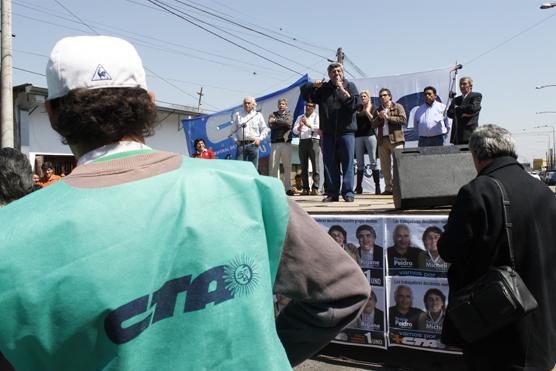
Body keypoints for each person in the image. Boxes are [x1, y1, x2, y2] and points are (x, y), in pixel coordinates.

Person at [0, 35, 370, 370]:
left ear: (52, 113)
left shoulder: (11, 234)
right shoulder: (246, 190)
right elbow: (343, 289)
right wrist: (265, 354)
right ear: (149, 102)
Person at [438, 124, 556, 370]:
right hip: (541, 325)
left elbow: (448, 250)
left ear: (477, 156)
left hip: (496, 328)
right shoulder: (543, 191)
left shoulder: (477, 191)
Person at [300, 62, 361, 203]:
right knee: (329, 164)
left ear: (343, 73)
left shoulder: (350, 86)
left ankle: (348, 193)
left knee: (348, 164)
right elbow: (305, 93)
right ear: (329, 74)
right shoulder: (324, 89)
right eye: (333, 72)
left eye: (339, 71)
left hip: (346, 133)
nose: (336, 74)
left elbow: (355, 105)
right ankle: (332, 193)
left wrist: (342, 90)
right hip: (328, 134)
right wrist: (312, 86)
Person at [371, 88, 407, 195]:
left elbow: (403, 120)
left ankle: (399, 187)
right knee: (385, 166)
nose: (383, 97)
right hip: (383, 140)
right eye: (381, 96)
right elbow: (373, 125)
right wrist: (380, 118)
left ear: (390, 96)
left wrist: (388, 117)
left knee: (398, 165)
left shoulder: (398, 106)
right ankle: (388, 188)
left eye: (385, 95)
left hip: (396, 139)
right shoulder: (378, 109)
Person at [232, 96, 269, 169]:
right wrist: (236, 140)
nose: (246, 105)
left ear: (253, 104)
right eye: (245, 103)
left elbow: (265, 129)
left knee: (253, 169)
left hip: (254, 145)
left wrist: (259, 139)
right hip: (241, 145)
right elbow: (232, 131)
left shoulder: (258, 115)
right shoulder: (238, 115)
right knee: (239, 168)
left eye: (249, 103)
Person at [292, 102, 320, 196]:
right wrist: (300, 126)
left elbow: (318, 128)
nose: (307, 107)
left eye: (310, 106)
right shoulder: (300, 117)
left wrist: (308, 124)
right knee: (303, 167)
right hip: (302, 141)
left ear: (314, 107)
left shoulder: (316, 116)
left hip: (313, 141)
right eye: (306, 105)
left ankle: (315, 188)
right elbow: (294, 131)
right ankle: (305, 188)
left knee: (315, 165)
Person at [355, 90, 380, 194]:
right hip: (358, 136)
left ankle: (377, 187)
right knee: (359, 162)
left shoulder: (374, 108)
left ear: (369, 97)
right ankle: (358, 187)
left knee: (373, 161)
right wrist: (363, 111)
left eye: (365, 96)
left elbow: (374, 121)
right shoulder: (358, 108)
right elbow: (356, 118)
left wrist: (367, 112)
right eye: (361, 97)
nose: (363, 98)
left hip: (370, 135)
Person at [268, 98, 294, 195]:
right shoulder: (272, 114)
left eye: (283, 104)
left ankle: (288, 188)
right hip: (275, 143)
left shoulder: (289, 114)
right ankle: (274, 188)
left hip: (286, 143)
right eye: (279, 104)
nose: (281, 105)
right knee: (273, 166)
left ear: (286, 105)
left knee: (287, 166)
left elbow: (288, 124)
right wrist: (280, 123)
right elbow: (271, 126)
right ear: (277, 105)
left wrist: (276, 121)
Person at [447, 76, 482, 145]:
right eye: (460, 84)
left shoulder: (476, 95)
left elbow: (473, 108)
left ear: (470, 86)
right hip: (457, 134)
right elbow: (449, 113)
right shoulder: (456, 99)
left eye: (464, 84)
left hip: (470, 133)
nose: (462, 86)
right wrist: (463, 113)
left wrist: (458, 108)